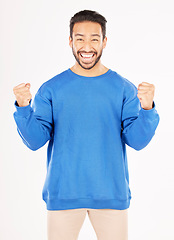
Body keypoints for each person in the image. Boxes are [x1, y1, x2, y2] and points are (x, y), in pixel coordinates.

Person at [13, 9, 160, 240]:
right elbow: (34, 140)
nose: (87, 46)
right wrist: (23, 107)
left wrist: (148, 108)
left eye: (94, 39)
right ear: (70, 41)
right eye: (80, 38)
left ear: (104, 42)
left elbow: (138, 141)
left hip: (111, 194)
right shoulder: (51, 89)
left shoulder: (124, 88)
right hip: (64, 194)